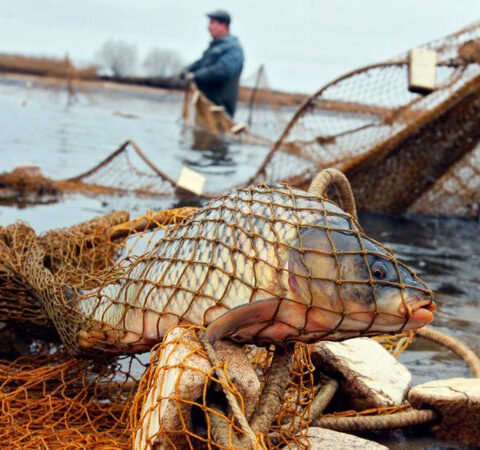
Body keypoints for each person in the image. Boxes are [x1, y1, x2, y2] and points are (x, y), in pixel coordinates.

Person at [183, 9, 244, 117]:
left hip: (220, 108)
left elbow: (222, 70)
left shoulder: (234, 49)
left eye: (212, 23)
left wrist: (195, 76)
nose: (208, 27)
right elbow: (201, 63)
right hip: (206, 104)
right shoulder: (214, 48)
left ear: (223, 25)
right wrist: (187, 70)